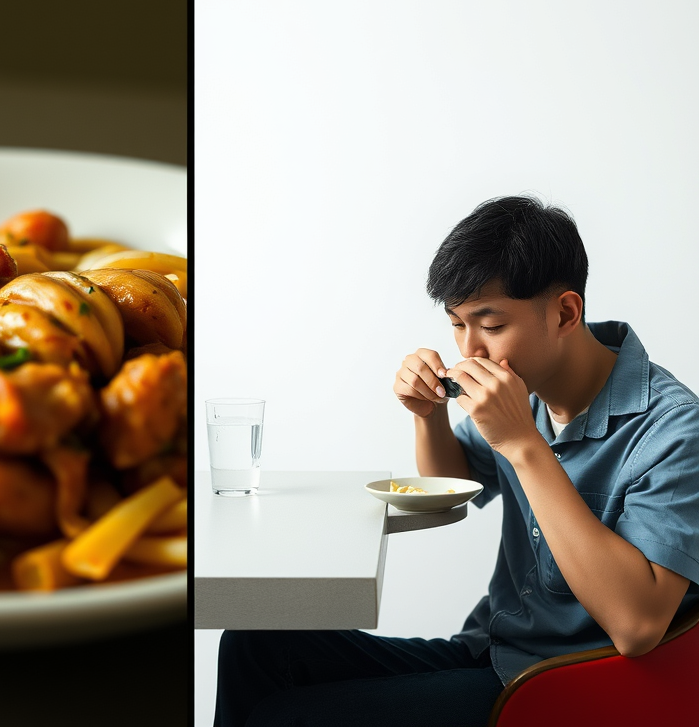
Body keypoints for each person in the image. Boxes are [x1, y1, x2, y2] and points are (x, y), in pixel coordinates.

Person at [214, 195, 699, 727]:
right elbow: (452, 486)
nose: (469, 352)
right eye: (456, 324)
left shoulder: (675, 428)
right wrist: (428, 416)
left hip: (570, 684)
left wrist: (523, 445)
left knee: (286, 716)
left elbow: (637, 626)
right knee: (255, 641)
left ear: (565, 313)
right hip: (491, 651)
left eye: (489, 326)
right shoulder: (528, 389)